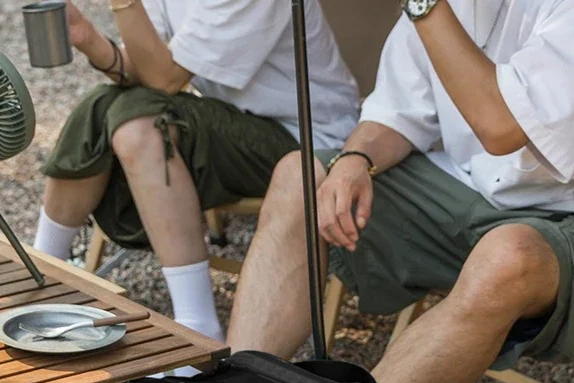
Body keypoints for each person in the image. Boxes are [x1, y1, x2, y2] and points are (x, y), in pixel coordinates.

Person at [228, 0, 574, 383]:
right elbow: (399, 110)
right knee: (301, 176)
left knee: (507, 255)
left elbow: (503, 128)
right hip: (472, 187)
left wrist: (425, 4)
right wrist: (355, 159)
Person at [34, 0, 359, 348]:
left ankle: (198, 329)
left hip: (308, 140)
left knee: (140, 124)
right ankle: (41, 275)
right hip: (235, 121)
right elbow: (145, 71)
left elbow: (165, 79)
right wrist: (88, 38)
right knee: (105, 104)